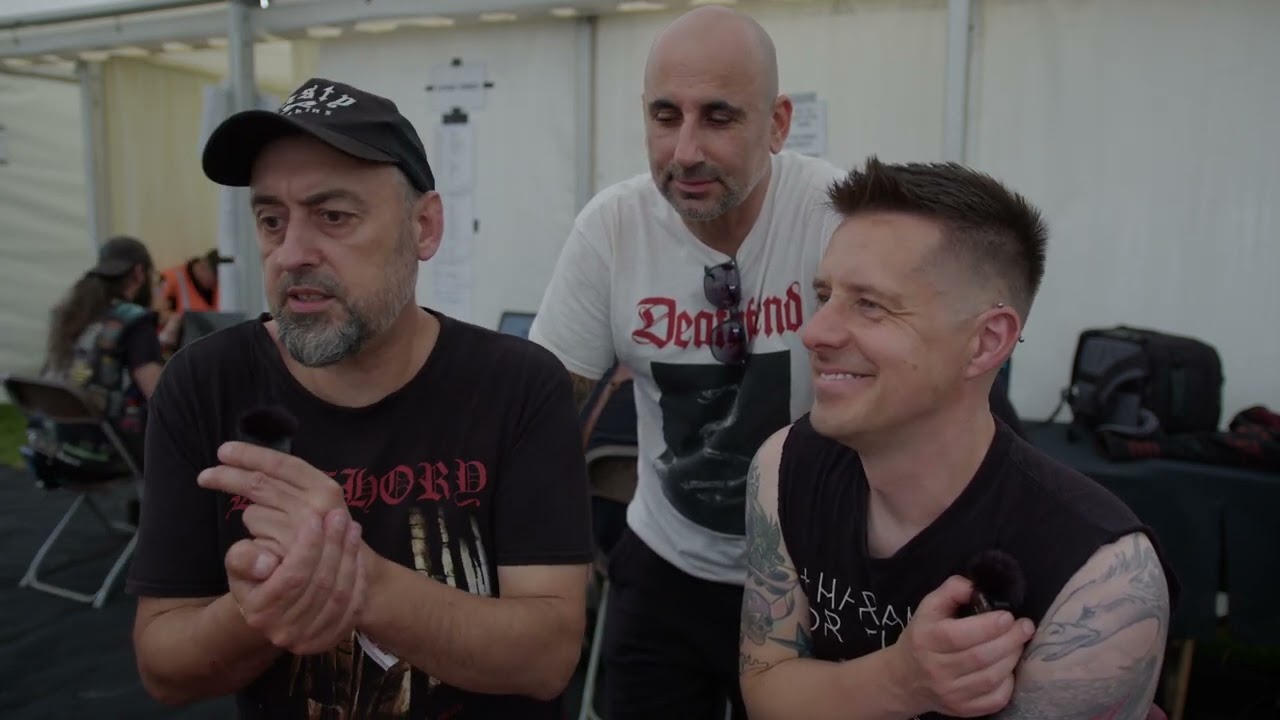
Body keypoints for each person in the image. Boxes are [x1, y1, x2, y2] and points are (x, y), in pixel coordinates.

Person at [125, 77, 593, 720]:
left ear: (424, 227)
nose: (291, 253)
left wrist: (355, 581)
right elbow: (164, 666)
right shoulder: (203, 384)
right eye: (271, 220)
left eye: (334, 216)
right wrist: (263, 606)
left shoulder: (518, 385)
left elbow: (547, 658)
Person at [738, 156, 1179, 719]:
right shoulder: (784, 466)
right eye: (826, 295)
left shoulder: (1100, 580)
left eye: (870, 305)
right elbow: (767, 686)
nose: (814, 331)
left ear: (986, 342)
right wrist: (899, 682)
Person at [529, 6, 846, 718]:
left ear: (778, 124)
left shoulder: (835, 217)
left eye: (719, 117)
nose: (685, 151)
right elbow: (538, 409)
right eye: (665, 116)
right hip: (664, 566)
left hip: (813, 575)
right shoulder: (614, 228)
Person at [27, 235, 163, 476]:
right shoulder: (135, 321)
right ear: (139, 273)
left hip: (54, 444)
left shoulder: (70, 313)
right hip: (108, 450)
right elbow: (161, 396)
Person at [155, 247, 232, 351]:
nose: (215, 284)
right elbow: (156, 314)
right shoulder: (171, 279)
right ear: (203, 266)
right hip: (175, 349)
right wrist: (178, 319)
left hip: (207, 347)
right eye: (214, 278)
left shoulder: (220, 287)